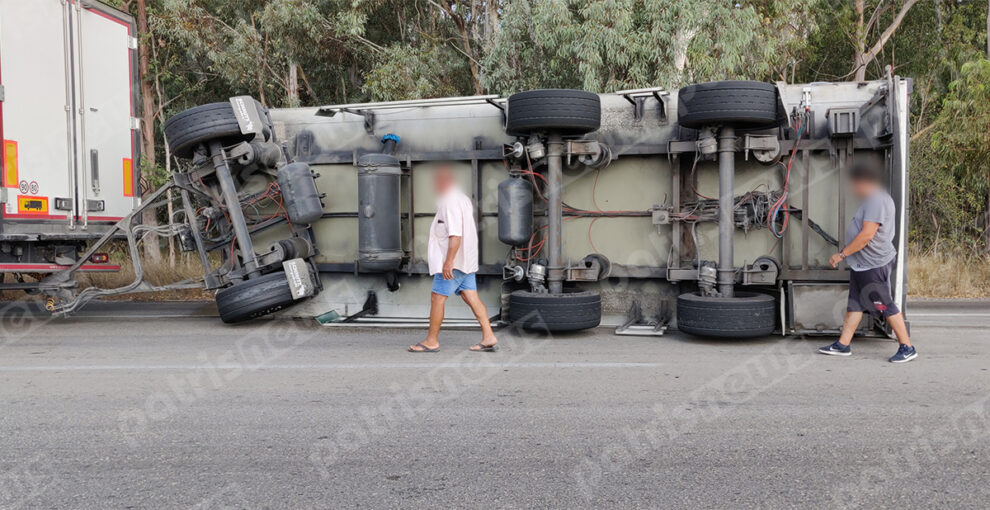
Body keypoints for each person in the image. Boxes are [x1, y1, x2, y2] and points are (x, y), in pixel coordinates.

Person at [818, 163, 916, 363]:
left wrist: (842, 255)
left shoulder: (877, 200)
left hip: (873, 264)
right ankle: (843, 345)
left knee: (885, 305)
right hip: (862, 264)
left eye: (855, 184)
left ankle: (907, 347)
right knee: (855, 304)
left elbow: (867, 235)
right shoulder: (872, 199)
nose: (854, 189)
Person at [408, 165, 498, 353]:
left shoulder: (450, 200)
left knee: (437, 298)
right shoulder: (462, 199)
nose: (435, 185)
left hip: (453, 262)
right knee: (470, 296)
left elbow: (455, 235)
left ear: (444, 181)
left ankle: (431, 341)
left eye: (437, 181)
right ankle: (489, 336)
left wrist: (448, 262)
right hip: (465, 261)